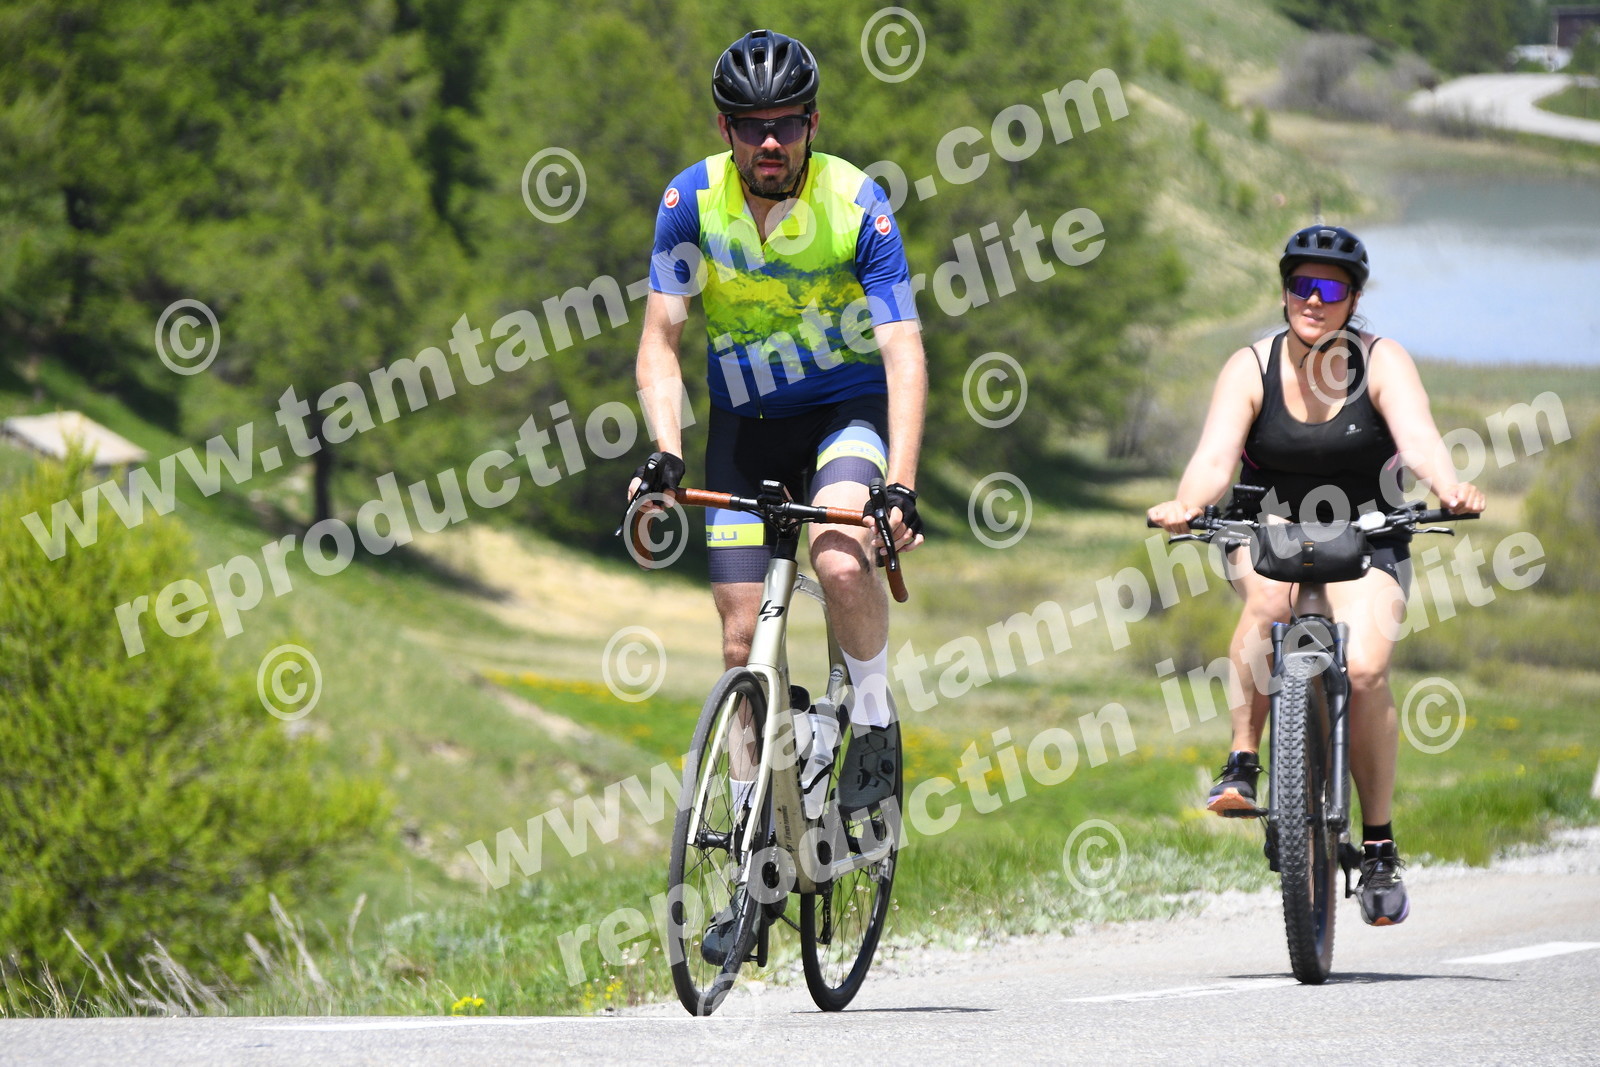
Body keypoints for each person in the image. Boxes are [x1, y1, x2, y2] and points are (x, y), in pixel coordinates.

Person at [627, 30, 926, 955]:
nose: (770, 141)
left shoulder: (857, 204)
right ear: (725, 128)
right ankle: (753, 854)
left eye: (787, 124)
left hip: (845, 414)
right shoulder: (690, 204)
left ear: (812, 123)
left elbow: (904, 354)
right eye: (752, 125)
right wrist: (666, 453)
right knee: (737, 637)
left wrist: (901, 486)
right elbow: (661, 343)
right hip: (744, 427)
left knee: (840, 561)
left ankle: (869, 718)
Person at [1147, 225, 1484, 927]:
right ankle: (1243, 763)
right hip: (1265, 528)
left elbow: (1419, 437)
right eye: (1302, 283)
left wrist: (1447, 486)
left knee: (1365, 669)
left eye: (1332, 288)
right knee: (1270, 602)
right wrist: (1187, 504)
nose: (1314, 299)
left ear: (1354, 300)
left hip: (1368, 531)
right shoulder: (1250, 366)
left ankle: (1380, 845)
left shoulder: (1382, 361)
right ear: (1283, 292)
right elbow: (1215, 458)